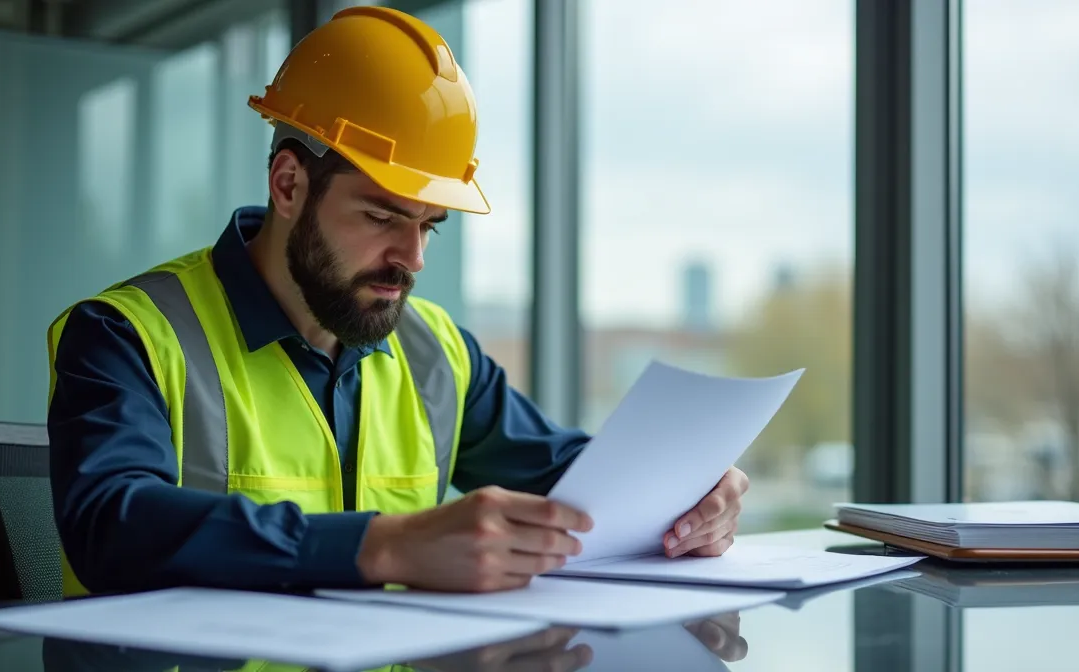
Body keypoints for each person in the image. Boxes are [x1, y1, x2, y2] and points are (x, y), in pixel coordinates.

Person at [46, 5, 748, 597]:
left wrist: (687, 496)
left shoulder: (438, 354)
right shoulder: (129, 335)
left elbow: (584, 484)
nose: (411, 259)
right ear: (288, 186)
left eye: (428, 226)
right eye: (381, 217)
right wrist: (384, 546)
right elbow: (110, 525)